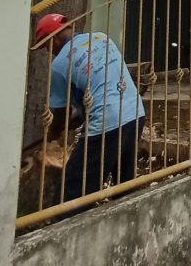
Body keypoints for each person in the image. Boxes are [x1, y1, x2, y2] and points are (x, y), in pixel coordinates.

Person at [36, 13, 146, 205]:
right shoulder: (101, 38)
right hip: (135, 112)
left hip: (107, 123)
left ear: (53, 40)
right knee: (124, 182)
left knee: (74, 188)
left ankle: (66, 228)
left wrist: (52, 135)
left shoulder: (59, 64)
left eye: (46, 47)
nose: (49, 51)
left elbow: (60, 116)